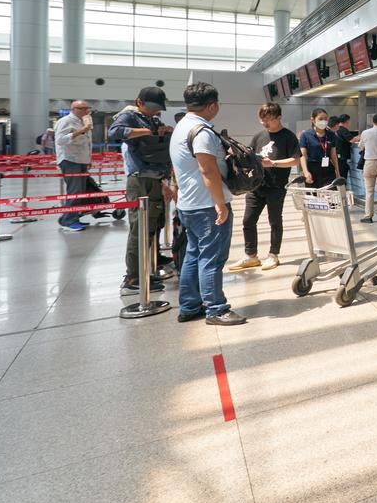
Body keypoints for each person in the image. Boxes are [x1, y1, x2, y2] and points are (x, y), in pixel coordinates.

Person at [171, 82, 245, 325]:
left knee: (193, 255)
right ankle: (216, 309)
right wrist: (220, 204)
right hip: (206, 206)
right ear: (212, 105)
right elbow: (208, 170)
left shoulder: (181, 127)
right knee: (212, 258)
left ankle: (190, 305)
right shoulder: (201, 131)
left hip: (189, 204)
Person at [109, 87, 175, 295]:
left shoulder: (152, 119)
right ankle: (133, 277)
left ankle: (147, 267)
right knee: (140, 228)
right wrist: (145, 132)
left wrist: (162, 131)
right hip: (140, 178)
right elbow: (114, 132)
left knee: (153, 224)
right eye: (152, 107)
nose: (155, 112)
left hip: (156, 177)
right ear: (139, 102)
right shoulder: (129, 116)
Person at [229, 103, 300, 272]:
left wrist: (272, 163)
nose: (265, 123)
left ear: (279, 117)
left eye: (269, 119)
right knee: (248, 220)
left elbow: (295, 160)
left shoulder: (288, 137)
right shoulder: (259, 136)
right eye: (262, 120)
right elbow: (251, 156)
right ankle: (251, 255)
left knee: (274, 221)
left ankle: (273, 255)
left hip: (276, 186)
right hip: (256, 186)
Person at [54, 101, 94, 232]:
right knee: (75, 191)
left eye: (88, 108)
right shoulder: (65, 121)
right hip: (70, 160)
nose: (87, 111)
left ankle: (70, 217)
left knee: (80, 192)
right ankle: (69, 220)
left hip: (82, 160)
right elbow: (60, 140)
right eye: (84, 108)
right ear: (74, 109)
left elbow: (88, 142)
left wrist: (88, 159)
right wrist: (81, 131)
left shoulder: (85, 122)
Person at [299, 108, 339, 188]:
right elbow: (303, 155)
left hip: (328, 169)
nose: (323, 121)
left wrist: (337, 171)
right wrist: (305, 172)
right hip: (312, 169)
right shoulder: (306, 135)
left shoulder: (331, 135)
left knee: (329, 193)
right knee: (313, 194)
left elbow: (333, 155)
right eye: (320, 119)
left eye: (326, 119)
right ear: (313, 120)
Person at [329, 115, 353, 182]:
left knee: (340, 172)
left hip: (337, 156)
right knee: (341, 173)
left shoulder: (333, 132)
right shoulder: (340, 130)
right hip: (339, 156)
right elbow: (352, 139)